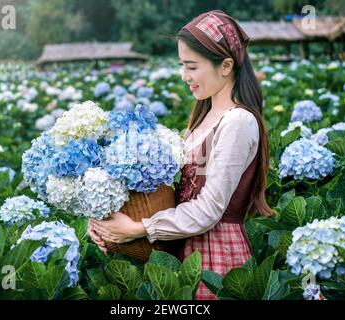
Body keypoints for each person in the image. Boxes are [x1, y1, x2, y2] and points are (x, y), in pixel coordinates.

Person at [88, 9, 274, 300]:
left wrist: (139, 228)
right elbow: (173, 193)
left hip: (216, 257)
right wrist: (109, 224)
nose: (184, 76)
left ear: (225, 65)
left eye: (192, 66)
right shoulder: (203, 118)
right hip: (180, 246)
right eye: (181, 65)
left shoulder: (238, 121)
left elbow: (210, 210)